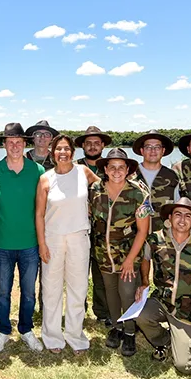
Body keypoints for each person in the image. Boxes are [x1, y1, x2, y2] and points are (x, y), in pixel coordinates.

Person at [36, 134, 100, 354]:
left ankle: (75, 336)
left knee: (78, 289)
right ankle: (52, 337)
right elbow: (39, 213)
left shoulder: (83, 172)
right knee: (51, 290)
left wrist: (91, 207)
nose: (62, 152)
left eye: (66, 148)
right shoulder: (46, 178)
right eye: (58, 149)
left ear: (73, 151)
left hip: (79, 237)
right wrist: (41, 243)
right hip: (52, 238)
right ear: (52, 152)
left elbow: (102, 191)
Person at [0, 123, 45, 353]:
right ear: (4, 145)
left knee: (29, 292)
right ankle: (3, 330)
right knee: (3, 291)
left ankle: (27, 329)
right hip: (2, 244)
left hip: (30, 243)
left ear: (25, 144)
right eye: (10, 142)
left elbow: (45, 207)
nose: (15, 146)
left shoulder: (37, 171)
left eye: (19, 142)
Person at [136, 198, 191, 374]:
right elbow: (146, 258)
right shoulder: (155, 239)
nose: (182, 220)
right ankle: (164, 341)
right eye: (178, 214)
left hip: (189, 311)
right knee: (141, 314)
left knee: (186, 367)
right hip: (162, 301)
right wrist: (145, 282)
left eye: (188, 216)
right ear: (170, 217)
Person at [89, 148, 151, 356]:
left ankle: (130, 332)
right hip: (103, 254)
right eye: (112, 167)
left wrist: (130, 260)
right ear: (105, 169)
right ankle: (116, 328)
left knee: (127, 293)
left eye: (121, 167)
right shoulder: (95, 189)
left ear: (128, 170)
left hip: (127, 255)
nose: (116, 171)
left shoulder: (138, 193)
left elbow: (143, 231)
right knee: (111, 293)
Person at [74, 125, 112, 326]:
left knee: (101, 275)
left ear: (103, 145)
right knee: (78, 275)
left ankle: (103, 312)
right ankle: (79, 311)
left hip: (104, 231)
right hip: (78, 229)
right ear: (82, 146)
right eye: (88, 143)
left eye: (96, 143)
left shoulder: (111, 167)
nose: (92, 146)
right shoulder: (74, 167)